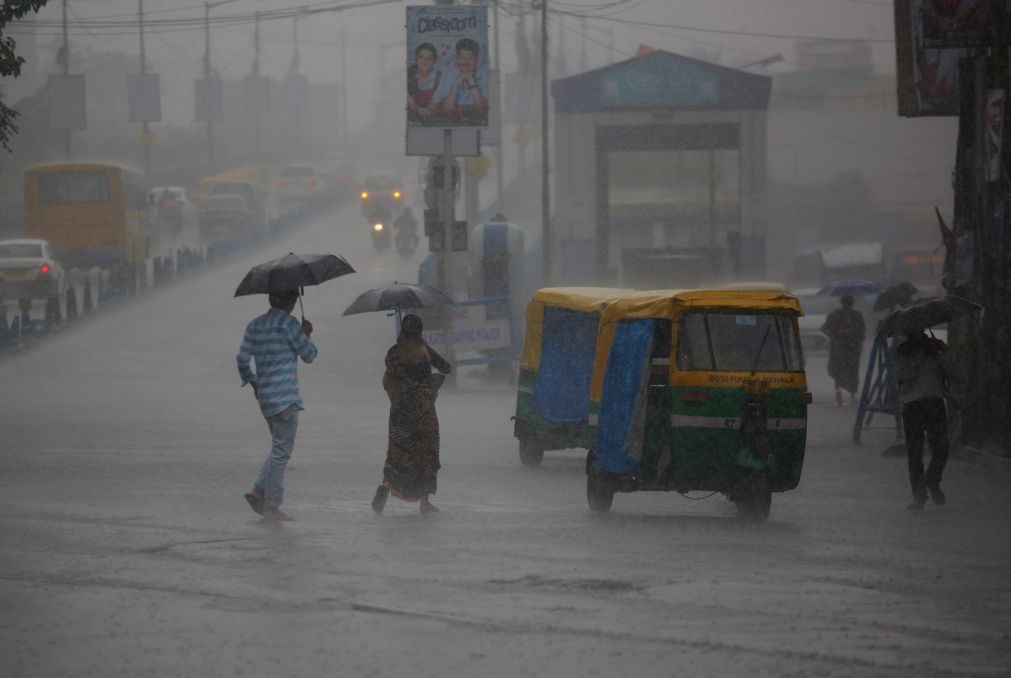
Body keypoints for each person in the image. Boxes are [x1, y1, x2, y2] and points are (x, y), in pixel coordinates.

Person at [237, 290, 317, 521]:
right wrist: (307, 334)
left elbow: (241, 359)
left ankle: (257, 490)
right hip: (286, 398)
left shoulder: (255, 325)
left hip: (266, 399)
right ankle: (271, 506)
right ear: (291, 301)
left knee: (277, 448)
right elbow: (309, 355)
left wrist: (253, 382)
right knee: (282, 452)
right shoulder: (289, 325)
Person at [371, 314, 452, 515]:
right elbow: (446, 368)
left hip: (400, 414)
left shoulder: (393, 354)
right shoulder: (424, 351)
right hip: (424, 414)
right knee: (426, 455)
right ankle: (424, 501)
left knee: (397, 452)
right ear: (420, 331)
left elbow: (387, 380)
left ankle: (387, 485)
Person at [894, 329, 949, 511]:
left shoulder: (936, 348)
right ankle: (919, 495)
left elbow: (952, 371)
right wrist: (918, 359)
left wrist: (942, 352)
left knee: (941, 447)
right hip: (913, 406)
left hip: (935, 403)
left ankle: (932, 479)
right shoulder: (902, 351)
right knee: (915, 453)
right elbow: (902, 377)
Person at [821, 295, 866, 406]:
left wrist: (853, 333)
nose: (848, 306)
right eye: (846, 304)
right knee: (838, 371)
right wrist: (836, 335)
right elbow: (824, 329)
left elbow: (862, 331)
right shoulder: (835, 316)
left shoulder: (857, 316)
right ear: (842, 304)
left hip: (852, 349)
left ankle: (851, 395)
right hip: (839, 349)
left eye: (849, 304)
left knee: (852, 371)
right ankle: (839, 396)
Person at [435, 38, 488, 122]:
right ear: (456, 59)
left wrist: (471, 80)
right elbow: (446, 110)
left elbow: (482, 109)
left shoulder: (483, 74)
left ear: (476, 61)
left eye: (470, 58)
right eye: (461, 57)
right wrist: (457, 82)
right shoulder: (448, 74)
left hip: (477, 124)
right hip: (452, 123)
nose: (465, 61)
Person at [407, 42, 442, 122]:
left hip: (435, 119)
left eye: (429, 58)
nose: (425, 61)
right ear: (416, 59)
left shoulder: (440, 77)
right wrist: (418, 109)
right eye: (421, 57)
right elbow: (408, 100)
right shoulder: (408, 75)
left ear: (434, 61)